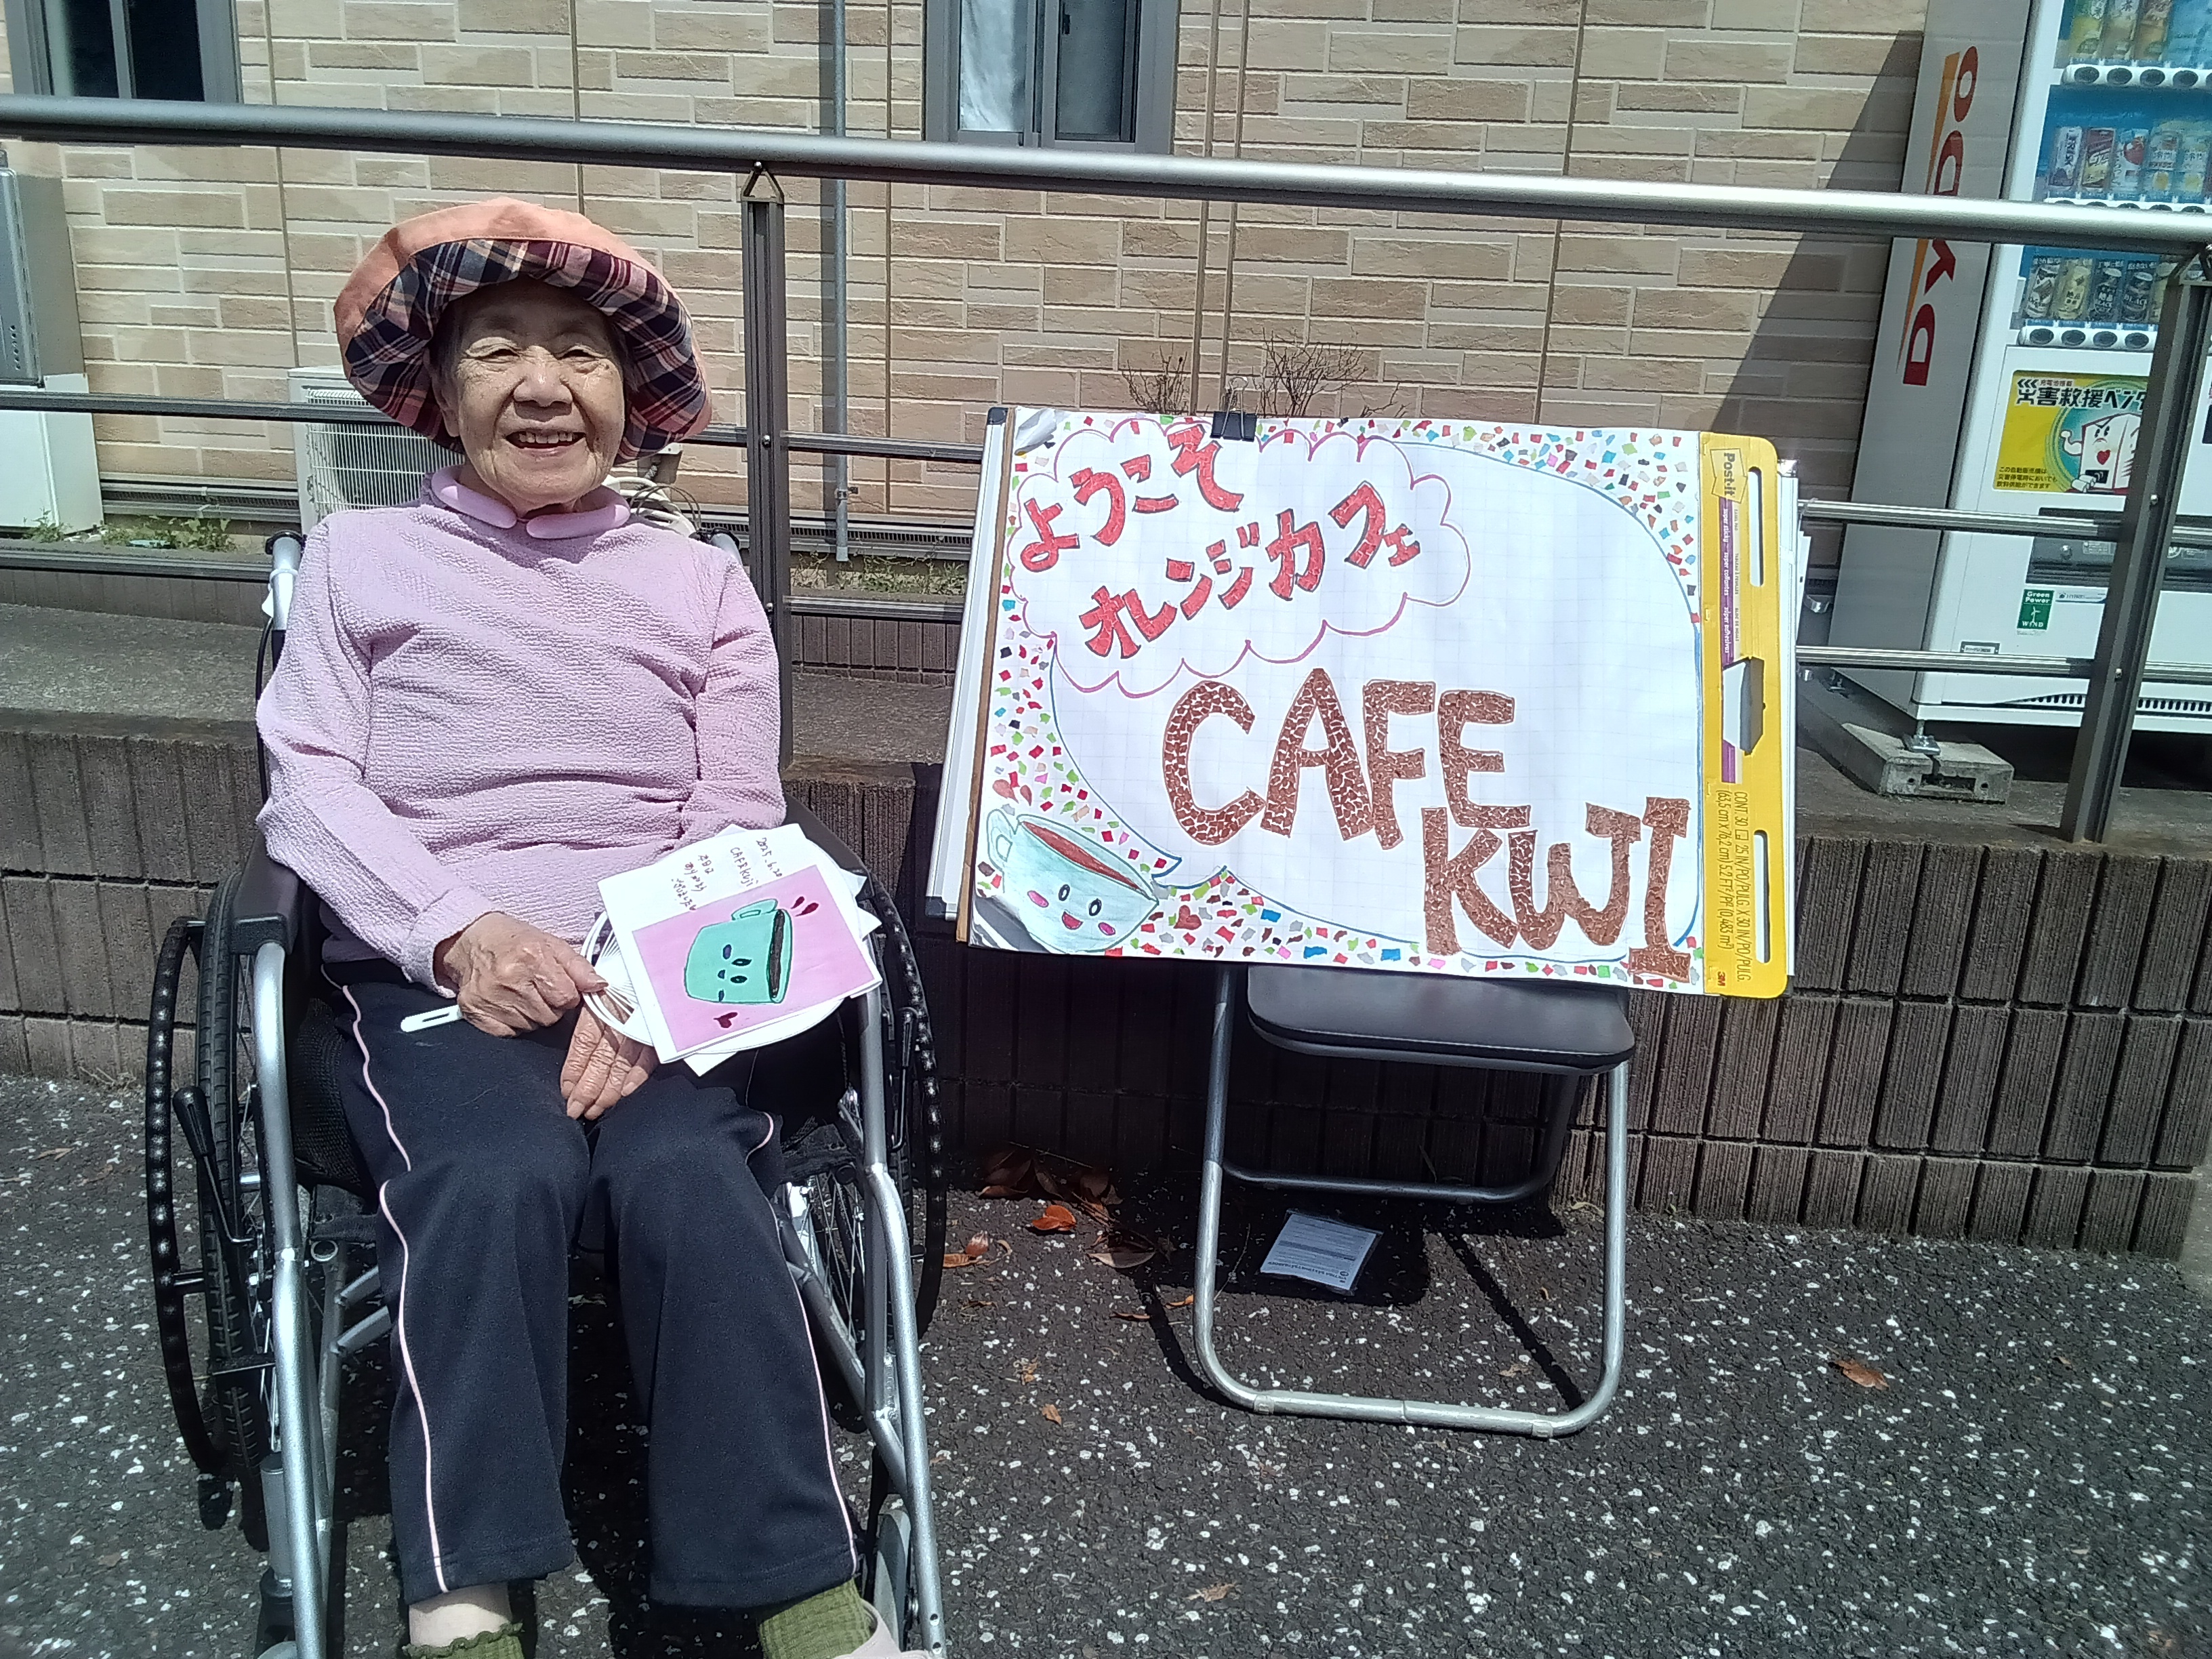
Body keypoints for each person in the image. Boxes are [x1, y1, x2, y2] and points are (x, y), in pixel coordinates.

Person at [258, 198, 920, 1659]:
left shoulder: (703, 582)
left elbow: (735, 811)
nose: (543, 384)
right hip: (440, 970)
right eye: (499, 350)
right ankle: (465, 1599)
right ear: (440, 395)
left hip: (659, 976)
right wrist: (454, 929)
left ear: (630, 400)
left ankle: (796, 1590)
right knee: (489, 1175)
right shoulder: (358, 560)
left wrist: (650, 989)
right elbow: (309, 783)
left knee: (693, 1177)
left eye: (580, 353)